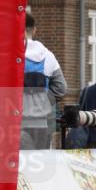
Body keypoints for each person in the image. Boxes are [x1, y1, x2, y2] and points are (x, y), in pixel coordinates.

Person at [21, 12, 67, 150]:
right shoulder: (48, 55)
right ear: (34, 30)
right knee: (41, 163)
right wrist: (43, 100)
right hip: (41, 122)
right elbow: (61, 88)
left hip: (16, 120)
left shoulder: (12, 54)